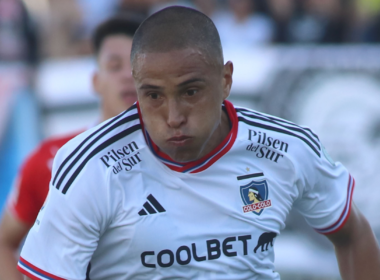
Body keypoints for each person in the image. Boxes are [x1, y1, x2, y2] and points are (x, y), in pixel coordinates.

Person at [18, 6, 380, 280]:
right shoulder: (93, 166)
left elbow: (354, 234)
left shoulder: (287, 148)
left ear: (225, 80)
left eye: (190, 91)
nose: (173, 115)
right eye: (154, 96)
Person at [0, 15, 141, 280]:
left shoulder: (179, 156)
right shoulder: (52, 158)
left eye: (136, 67)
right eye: (114, 66)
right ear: (95, 81)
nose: (127, 76)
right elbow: (4, 242)